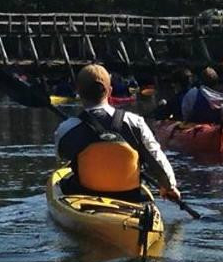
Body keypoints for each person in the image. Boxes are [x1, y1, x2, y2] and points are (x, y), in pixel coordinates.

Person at [54, 64, 181, 203]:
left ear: (79, 92)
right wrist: (169, 186)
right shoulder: (136, 123)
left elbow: (63, 156)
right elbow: (156, 158)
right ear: (110, 91)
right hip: (130, 197)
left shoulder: (66, 128)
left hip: (84, 195)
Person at [181, 66, 223, 133]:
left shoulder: (192, 94)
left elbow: (185, 115)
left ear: (201, 81)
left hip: (195, 133)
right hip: (215, 134)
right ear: (216, 83)